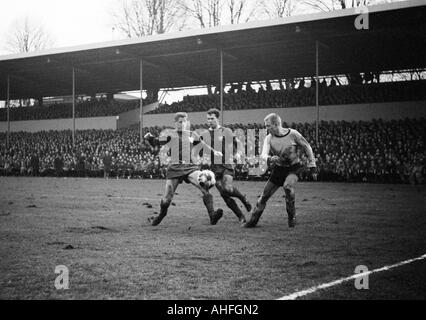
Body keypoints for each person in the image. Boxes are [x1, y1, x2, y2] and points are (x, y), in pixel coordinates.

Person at [145, 112, 224, 226]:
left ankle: (212, 215)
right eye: (180, 122)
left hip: (190, 167)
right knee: (167, 198)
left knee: (204, 185)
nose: (182, 124)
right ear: (176, 123)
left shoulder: (192, 134)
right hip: (175, 168)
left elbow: (203, 145)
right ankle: (161, 215)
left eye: (184, 122)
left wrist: (214, 152)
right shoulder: (170, 135)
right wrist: (149, 138)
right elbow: (156, 142)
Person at [244, 113, 317, 228]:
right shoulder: (269, 138)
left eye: (268, 126)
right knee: (264, 196)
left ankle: (291, 217)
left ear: (276, 124)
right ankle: (253, 221)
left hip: (294, 168)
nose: (266, 128)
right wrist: (269, 158)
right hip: (279, 169)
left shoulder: (293, 134)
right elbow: (263, 154)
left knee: (287, 186)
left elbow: (307, 146)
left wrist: (312, 165)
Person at [201, 108, 252, 223]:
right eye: (208, 119)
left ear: (217, 119)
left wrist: (238, 153)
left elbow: (238, 143)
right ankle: (241, 216)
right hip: (214, 168)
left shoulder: (226, 131)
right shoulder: (205, 134)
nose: (209, 121)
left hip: (227, 165)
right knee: (224, 194)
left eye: (212, 118)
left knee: (228, 188)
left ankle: (243, 199)